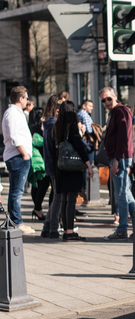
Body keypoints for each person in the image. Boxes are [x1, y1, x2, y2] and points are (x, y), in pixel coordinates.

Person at [53, 101, 94, 241]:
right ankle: (69, 231)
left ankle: (66, 229)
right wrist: (88, 164)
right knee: (71, 200)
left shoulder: (57, 127)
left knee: (64, 199)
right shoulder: (72, 127)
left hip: (60, 166)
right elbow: (78, 145)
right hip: (71, 167)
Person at [100, 86, 135, 240]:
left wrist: (117, 159)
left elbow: (123, 137)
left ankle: (122, 229)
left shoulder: (120, 111)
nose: (107, 102)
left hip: (119, 157)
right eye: (103, 100)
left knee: (121, 194)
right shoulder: (116, 112)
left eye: (109, 98)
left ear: (115, 96)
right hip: (119, 156)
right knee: (126, 193)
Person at [2, 86, 34, 234]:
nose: (27, 101)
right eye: (26, 98)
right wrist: (24, 154)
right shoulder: (12, 114)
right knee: (17, 192)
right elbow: (14, 137)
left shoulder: (16, 113)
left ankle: (15, 221)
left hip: (18, 156)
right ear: (20, 99)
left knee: (16, 191)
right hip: (18, 157)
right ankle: (16, 222)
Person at [41, 94, 62, 238]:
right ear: (57, 110)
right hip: (55, 165)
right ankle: (52, 227)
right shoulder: (54, 124)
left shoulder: (48, 123)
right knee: (58, 196)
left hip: (50, 164)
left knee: (56, 196)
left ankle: (48, 226)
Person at [27, 107, 48, 221]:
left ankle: (38, 209)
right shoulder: (36, 128)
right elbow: (39, 142)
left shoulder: (29, 127)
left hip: (35, 160)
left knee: (36, 185)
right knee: (43, 184)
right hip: (39, 161)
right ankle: (37, 208)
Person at [77, 99, 94, 206]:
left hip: (84, 144)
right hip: (86, 145)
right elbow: (89, 130)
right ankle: (83, 195)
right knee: (85, 169)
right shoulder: (83, 114)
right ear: (84, 106)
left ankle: (83, 195)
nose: (91, 108)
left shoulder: (81, 114)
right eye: (90, 106)